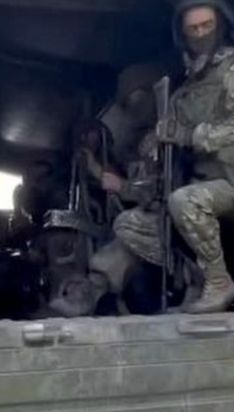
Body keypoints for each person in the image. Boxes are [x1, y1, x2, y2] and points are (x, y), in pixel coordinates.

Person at [157, 0, 234, 313]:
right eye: (193, 29)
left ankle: (219, 283)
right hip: (208, 176)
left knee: (185, 202)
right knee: (155, 216)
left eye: (206, 26)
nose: (200, 34)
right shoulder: (189, 81)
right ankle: (195, 281)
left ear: (220, 26)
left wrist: (192, 136)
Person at [48, 62, 170, 317]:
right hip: (151, 218)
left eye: (135, 100)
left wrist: (122, 187)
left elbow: (155, 191)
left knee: (128, 225)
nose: (132, 109)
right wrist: (94, 167)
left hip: (171, 218)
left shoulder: (167, 137)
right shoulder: (143, 141)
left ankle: (91, 291)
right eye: (126, 103)